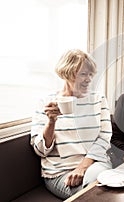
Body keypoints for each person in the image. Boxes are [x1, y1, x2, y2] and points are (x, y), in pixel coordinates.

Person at [30, 49, 112, 199]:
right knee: (97, 194)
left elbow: (104, 138)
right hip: (59, 173)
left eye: (90, 74)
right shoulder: (46, 102)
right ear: (67, 74)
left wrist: (83, 167)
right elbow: (41, 151)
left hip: (94, 165)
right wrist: (51, 122)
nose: (88, 79)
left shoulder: (98, 99)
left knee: (100, 184)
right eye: (83, 74)